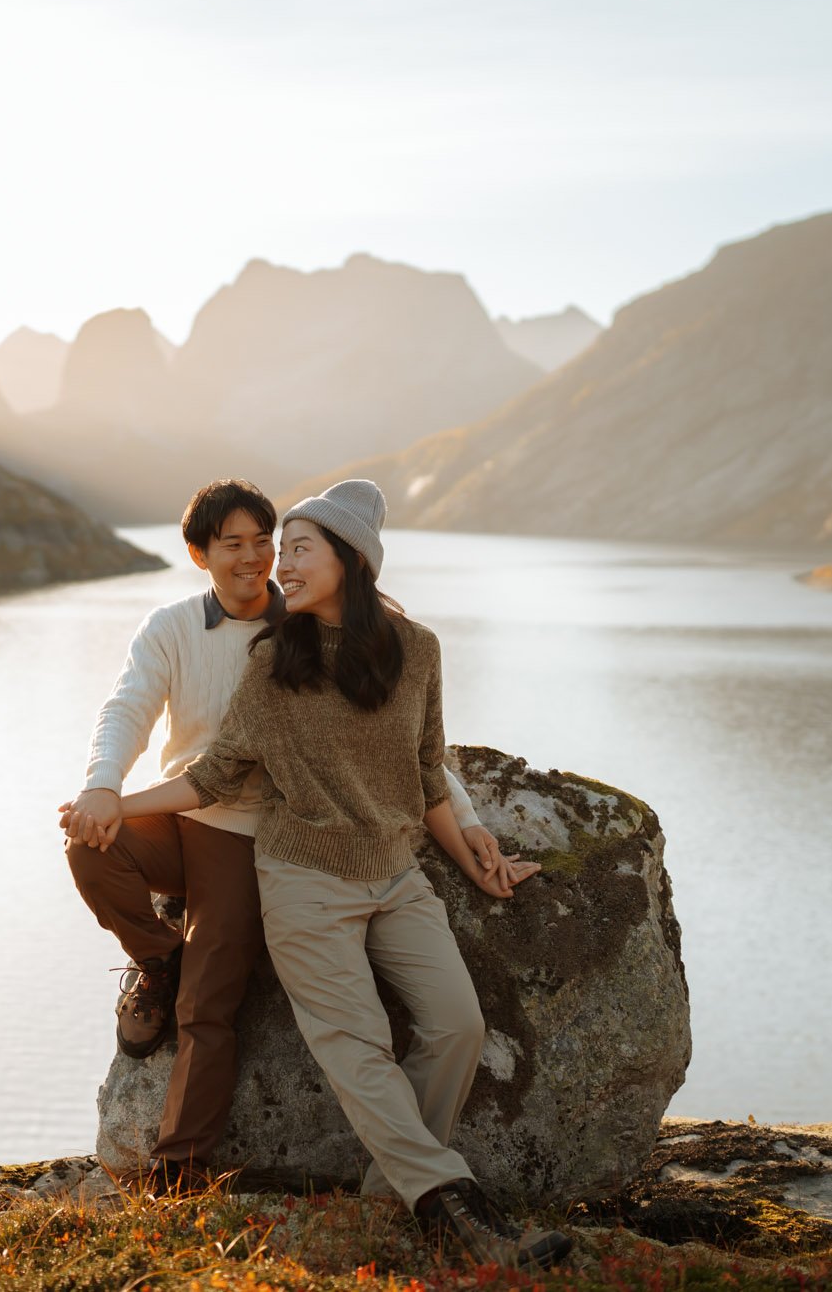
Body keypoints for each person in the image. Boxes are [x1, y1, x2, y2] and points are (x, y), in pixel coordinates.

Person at [89, 480, 574, 1271]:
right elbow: (212, 774)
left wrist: (474, 846)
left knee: (459, 1025)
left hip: (395, 874)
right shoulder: (275, 660)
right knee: (359, 1045)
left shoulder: (416, 650)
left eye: (296, 549)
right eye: (276, 553)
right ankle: (453, 1203)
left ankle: (391, 1195)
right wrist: (113, 800)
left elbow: (426, 771)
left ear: (351, 558)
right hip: (302, 878)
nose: (277, 565)